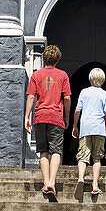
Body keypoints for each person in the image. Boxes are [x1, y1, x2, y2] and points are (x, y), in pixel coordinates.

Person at [24, 44, 71, 201]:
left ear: (44, 58)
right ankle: (52, 182)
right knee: (56, 151)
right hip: (55, 116)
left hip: (40, 117)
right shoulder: (63, 75)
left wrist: (27, 116)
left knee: (43, 151)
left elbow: (31, 96)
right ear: (57, 60)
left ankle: (45, 183)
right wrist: (66, 116)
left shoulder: (36, 75)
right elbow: (67, 98)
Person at [71, 66, 106, 202]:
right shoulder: (105, 94)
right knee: (97, 158)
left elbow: (77, 110)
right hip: (99, 129)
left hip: (86, 128)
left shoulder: (84, 92)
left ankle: (81, 178)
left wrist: (75, 126)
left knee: (83, 156)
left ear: (90, 79)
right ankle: (95, 185)